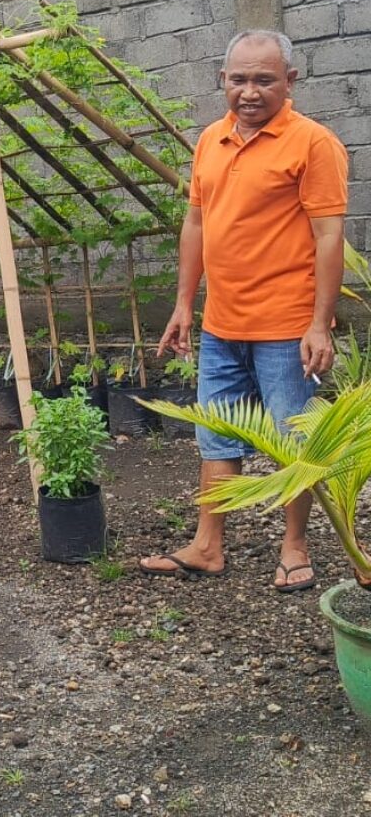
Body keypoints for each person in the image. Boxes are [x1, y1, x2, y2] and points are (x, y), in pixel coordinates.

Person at [139, 30, 347, 592]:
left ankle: (295, 547)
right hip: (222, 324)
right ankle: (208, 546)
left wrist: (319, 324)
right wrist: (185, 304)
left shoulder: (313, 143)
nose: (249, 92)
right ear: (222, 80)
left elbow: (329, 236)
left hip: (287, 327)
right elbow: (196, 224)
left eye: (263, 80)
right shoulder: (211, 139)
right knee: (217, 435)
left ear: (290, 81)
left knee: (293, 442)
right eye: (238, 79)